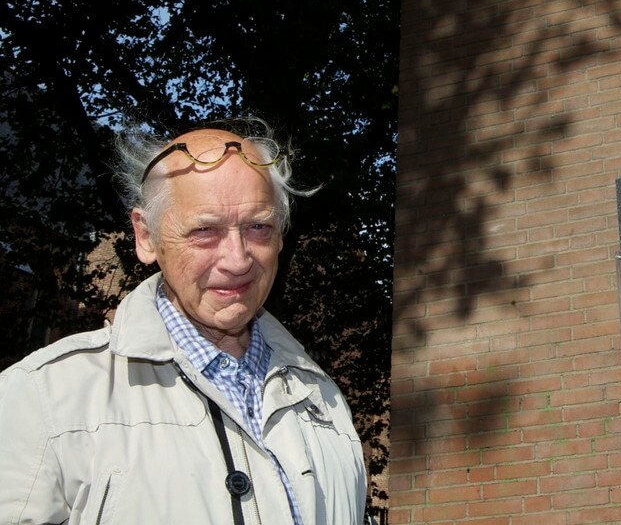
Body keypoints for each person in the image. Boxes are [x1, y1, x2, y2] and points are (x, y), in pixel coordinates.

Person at [0, 122, 367, 524]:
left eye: (258, 227)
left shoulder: (325, 403)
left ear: (280, 235)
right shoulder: (44, 398)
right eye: (204, 230)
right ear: (146, 236)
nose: (238, 259)